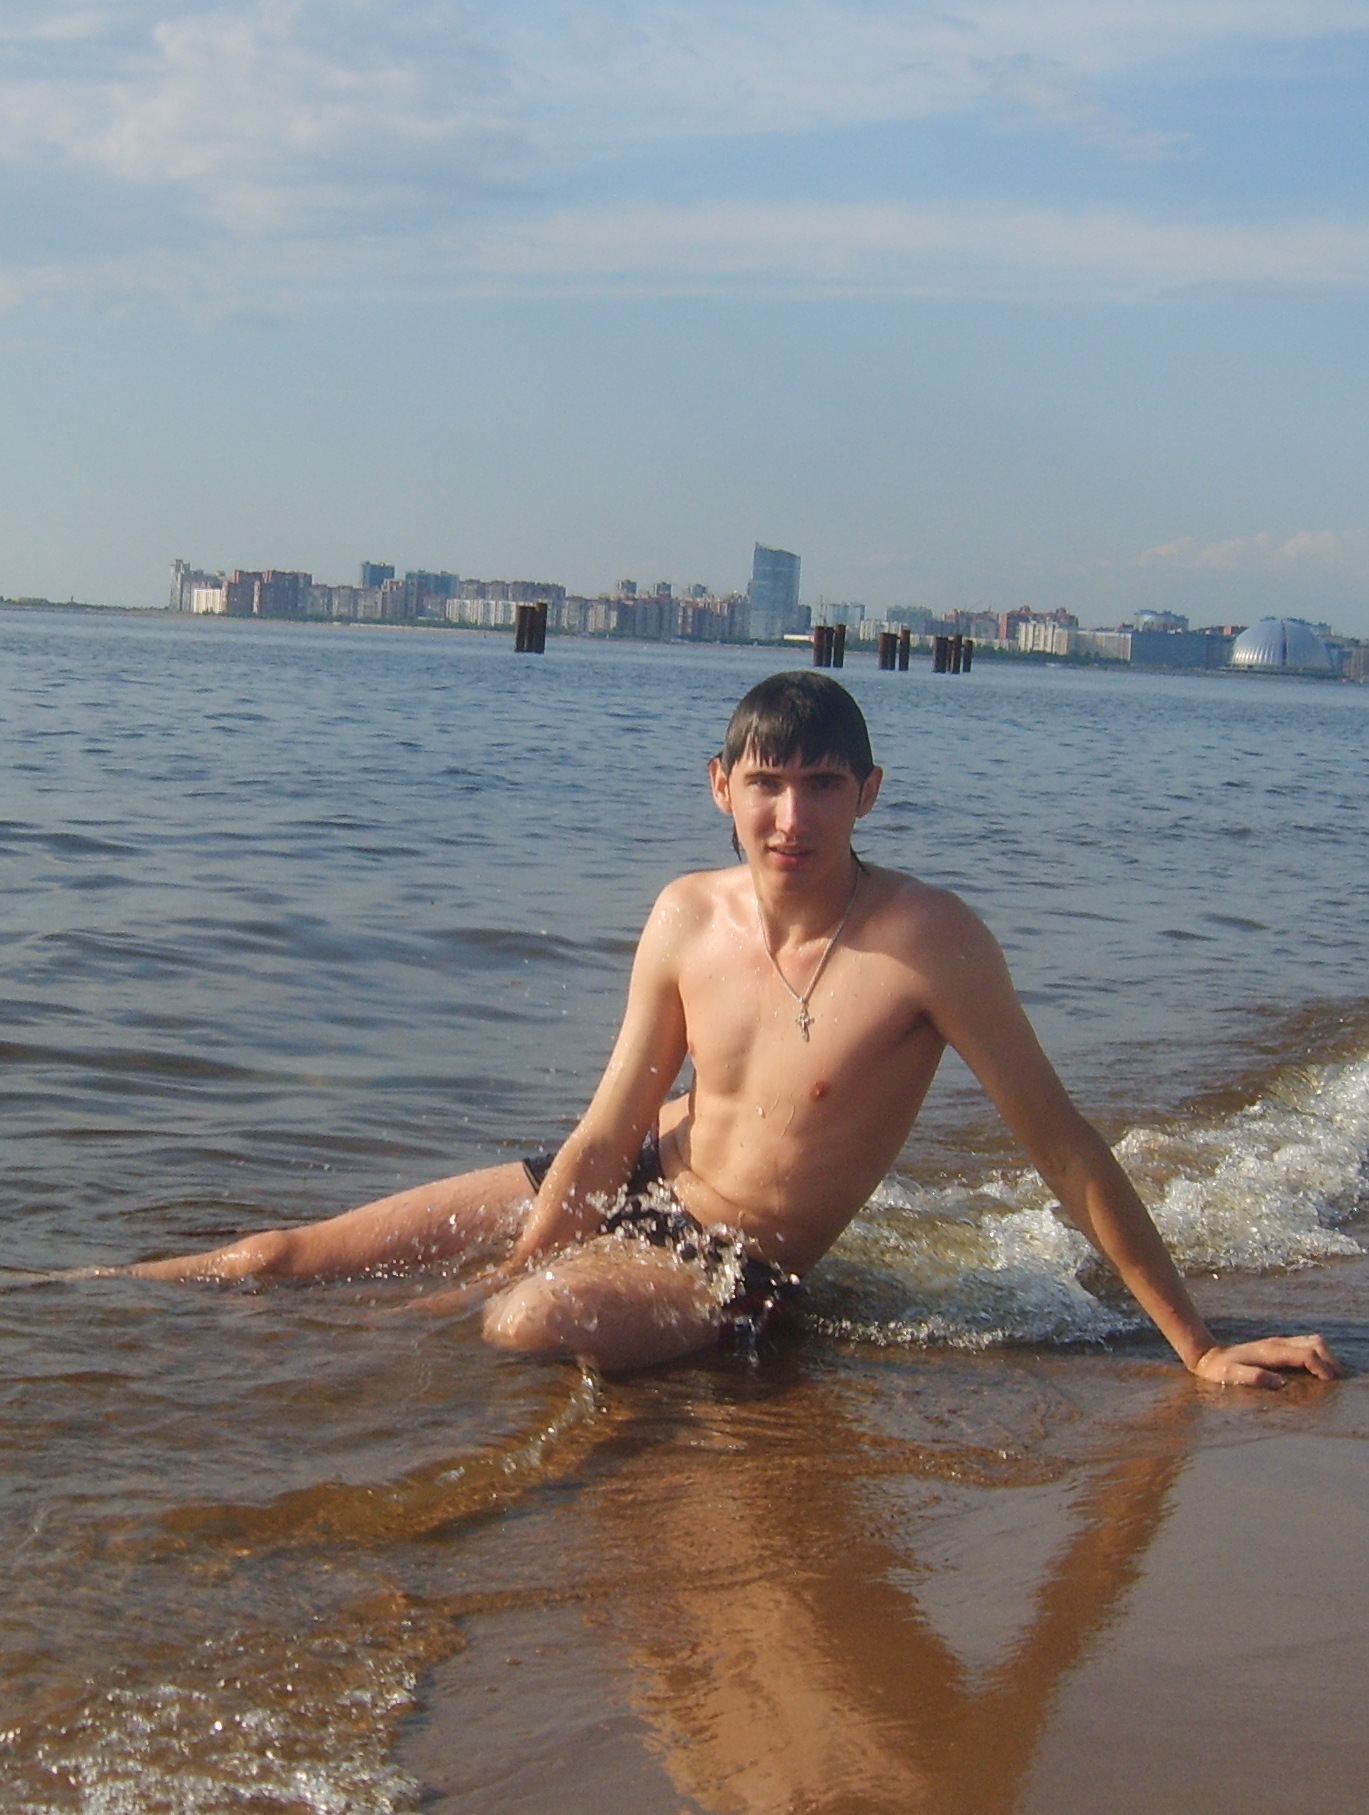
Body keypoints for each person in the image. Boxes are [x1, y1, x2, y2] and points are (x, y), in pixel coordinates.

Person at [130, 672, 1341, 1386]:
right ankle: (69, 1297)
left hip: (737, 1262)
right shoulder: (685, 914)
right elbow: (607, 1130)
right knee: (275, 1258)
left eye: (822, 785)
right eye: (766, 783)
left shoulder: (928, 941)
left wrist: (1194, 1348)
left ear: (868, 794)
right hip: (637, 1177)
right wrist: (524, 1244)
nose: (790, 817)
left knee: (522, 1321)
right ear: (721, 786)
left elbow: (1063, 1149)